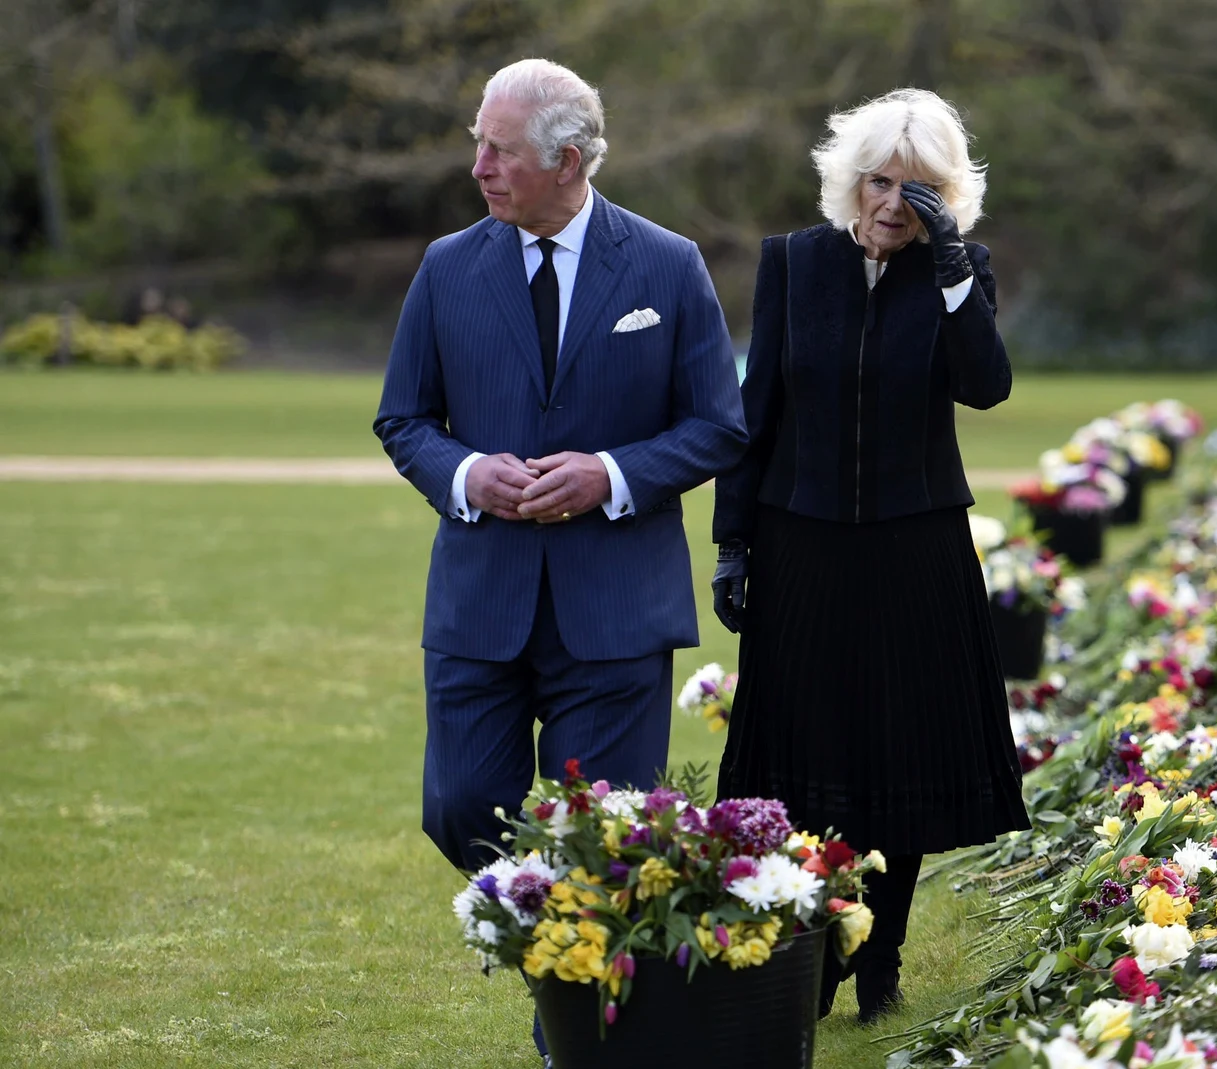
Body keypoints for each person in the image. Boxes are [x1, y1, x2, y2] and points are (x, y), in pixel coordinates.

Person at [373, 58, 745, 1063]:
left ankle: (570, 1021)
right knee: (457, 805)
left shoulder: (667, 266)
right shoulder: (448, 266)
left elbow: (720, 425)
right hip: (478, 601)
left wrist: (612, 473)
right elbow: (402, 417)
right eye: (477, 145)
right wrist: (464, 476)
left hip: (616, 609)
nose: (479, 167)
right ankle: (561, 948)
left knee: (605, 839)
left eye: (498, 151)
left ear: (567, 161)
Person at [710, 87, 1031, 1024]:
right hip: (801, 540)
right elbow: (755, 412)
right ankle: (814, 950)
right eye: (881, 182)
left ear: (947, 200)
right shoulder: (791, 265)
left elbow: (987, 387)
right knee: (801, 756)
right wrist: (735, 542)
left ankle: (881, 948)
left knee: (899, 755)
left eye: (918, 189)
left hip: (915, 546)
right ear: (851, 183)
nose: (894, 203)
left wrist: (955, 271)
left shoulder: (959, 275)